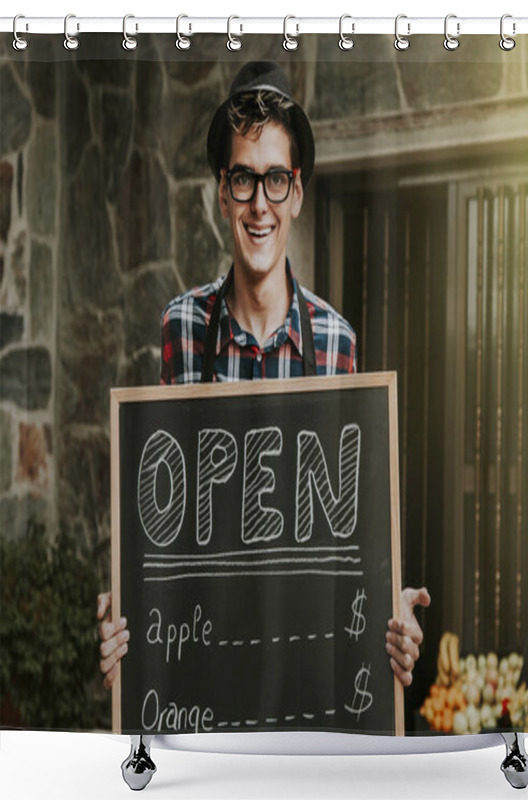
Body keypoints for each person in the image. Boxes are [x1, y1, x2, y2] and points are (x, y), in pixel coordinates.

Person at [97, 61, 430, 695]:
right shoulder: (182, 328)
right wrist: (128, 620)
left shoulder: (337, 342)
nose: (259, 205)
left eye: (275, 181)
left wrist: (390, 616)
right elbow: (165, 530)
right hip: (206, 666)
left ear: (296, 193)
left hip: (303, 673)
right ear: (222, 192)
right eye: (244, 179)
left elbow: (347, 529)